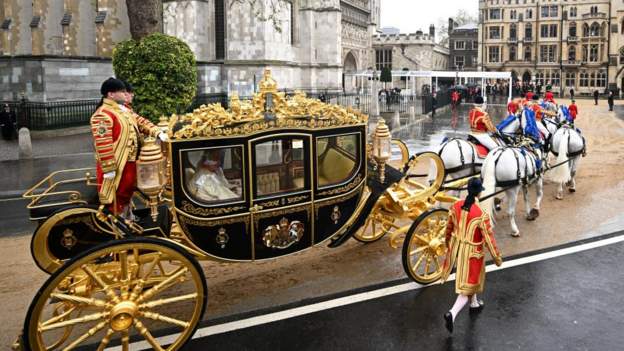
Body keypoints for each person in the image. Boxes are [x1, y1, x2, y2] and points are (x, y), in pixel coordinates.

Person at [90, 77, 167, 217]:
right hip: (117, 163)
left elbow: (141, 122)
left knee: (127, 191)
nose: (125, 94)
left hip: (130, 160)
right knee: (116, 194)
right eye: (122, 91)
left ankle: (127, 217)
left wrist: (158, 132)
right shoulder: (102, 115)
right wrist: (108, 168)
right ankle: (117, 221)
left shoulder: (123, 110)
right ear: (111, 94)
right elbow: (103, 143)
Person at [442, 177, 503, 333]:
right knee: (467, 286)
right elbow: (489, 239)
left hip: (457, 249)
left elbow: (448, 228)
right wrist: (497, 257)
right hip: (472, 254)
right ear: (478, 193)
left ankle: (474, 303)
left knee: (473, 280)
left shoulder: (455, 205)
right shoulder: (481, 214)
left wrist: (447, 242)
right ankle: (452, 313)